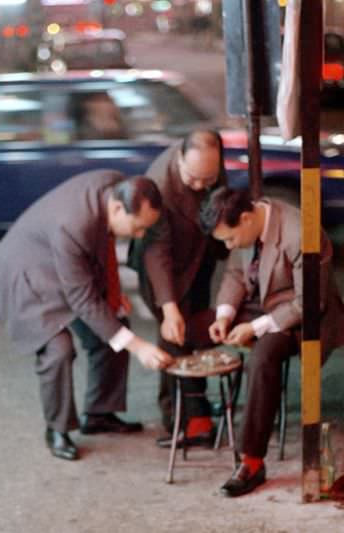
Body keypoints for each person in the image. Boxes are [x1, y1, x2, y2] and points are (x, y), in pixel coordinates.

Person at [0, 170, 173, 461]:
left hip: (63, 263)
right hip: (24, 273)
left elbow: (103, 247)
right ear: (118, 208)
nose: (140, 236)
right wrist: (139, 346)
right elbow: (82, 299)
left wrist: (113, 292)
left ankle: (99, 413)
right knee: (58, 349)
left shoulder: (116, 187)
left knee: (114, 322)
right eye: (137, 228)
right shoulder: (73, 224)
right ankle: (56, 429)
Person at [199, 187, 344, 497]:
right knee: (187, 327)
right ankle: (193, 419)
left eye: (229, 239)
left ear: (245, 218)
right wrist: (225, 315)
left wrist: (255, 328)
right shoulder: (245, 225)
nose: (229, 246)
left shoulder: (300, 233)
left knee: (263, 357)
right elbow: (235, 273)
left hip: (301, 316)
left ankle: (252, 462)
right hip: (260, 302)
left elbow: (310, 302)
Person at [128, 129, 228, 445]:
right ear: (180, 158)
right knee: (174, 337)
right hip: (164, 269)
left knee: (196, 333)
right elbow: (158, 252)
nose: (200, 186)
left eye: (207, 178)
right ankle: (181, 422)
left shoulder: (209, 163)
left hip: (199, 258)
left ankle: (196, 409)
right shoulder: (161, 184)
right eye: (193, 178)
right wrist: (169, 308)